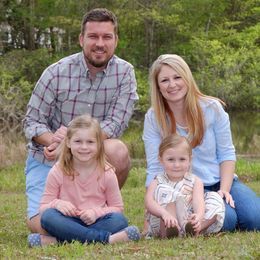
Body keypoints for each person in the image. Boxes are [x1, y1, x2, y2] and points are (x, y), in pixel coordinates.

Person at [23, 8, 138, 234]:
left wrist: (75, 141)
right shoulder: (56, 72)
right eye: (93, 36)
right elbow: (31, 122)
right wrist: (58, 144)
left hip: (90, 158)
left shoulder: (124, 72)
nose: (99, 43)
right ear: (81, 39)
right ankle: (97, 234)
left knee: (118, 150)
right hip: (50, 158)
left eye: (107, 37)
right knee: (40, 225)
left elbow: (116, 123)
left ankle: (94, 210)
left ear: (116, 40)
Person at [143, 54, 260, 232]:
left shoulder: (212, 108)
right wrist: (149, 212)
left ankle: (226, 212)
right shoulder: (154, 117)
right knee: (227, 220)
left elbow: (227, 154)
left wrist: (224, 190)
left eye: (177, 77)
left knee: (255, 218)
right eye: (164, 80)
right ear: (158, 87)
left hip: (221, 180)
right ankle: (212, 219)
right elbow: (154, 167)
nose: (172, 84)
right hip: (184, 186)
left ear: (187, 78)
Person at [28, 115, 140, 247]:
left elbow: (117, 208)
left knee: (119, 220)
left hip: (96, 220)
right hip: (67, 220)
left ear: (99, 144)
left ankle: (59, 241)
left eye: (90, 142)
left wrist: (95, 213)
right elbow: (43, 208)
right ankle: (106, 240)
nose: (84, 147)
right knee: (48, 217)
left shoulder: (107, 173)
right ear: (68, 142)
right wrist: (57, 204)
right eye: (78, 141)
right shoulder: (58, 171)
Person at [145, 134, 225, 238]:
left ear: (189, 160)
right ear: (161, 160)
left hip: (188, 218)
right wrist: (164, 214)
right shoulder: (157, 181)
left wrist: (199, 216)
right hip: (164, 220)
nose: (176, 165)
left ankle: (195, 228)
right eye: (171, 160)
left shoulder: (195, 181)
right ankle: (170, 231)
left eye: (182, 159)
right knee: (164, 191)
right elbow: (149, 202)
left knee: (215, 197)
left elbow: (198, 201)